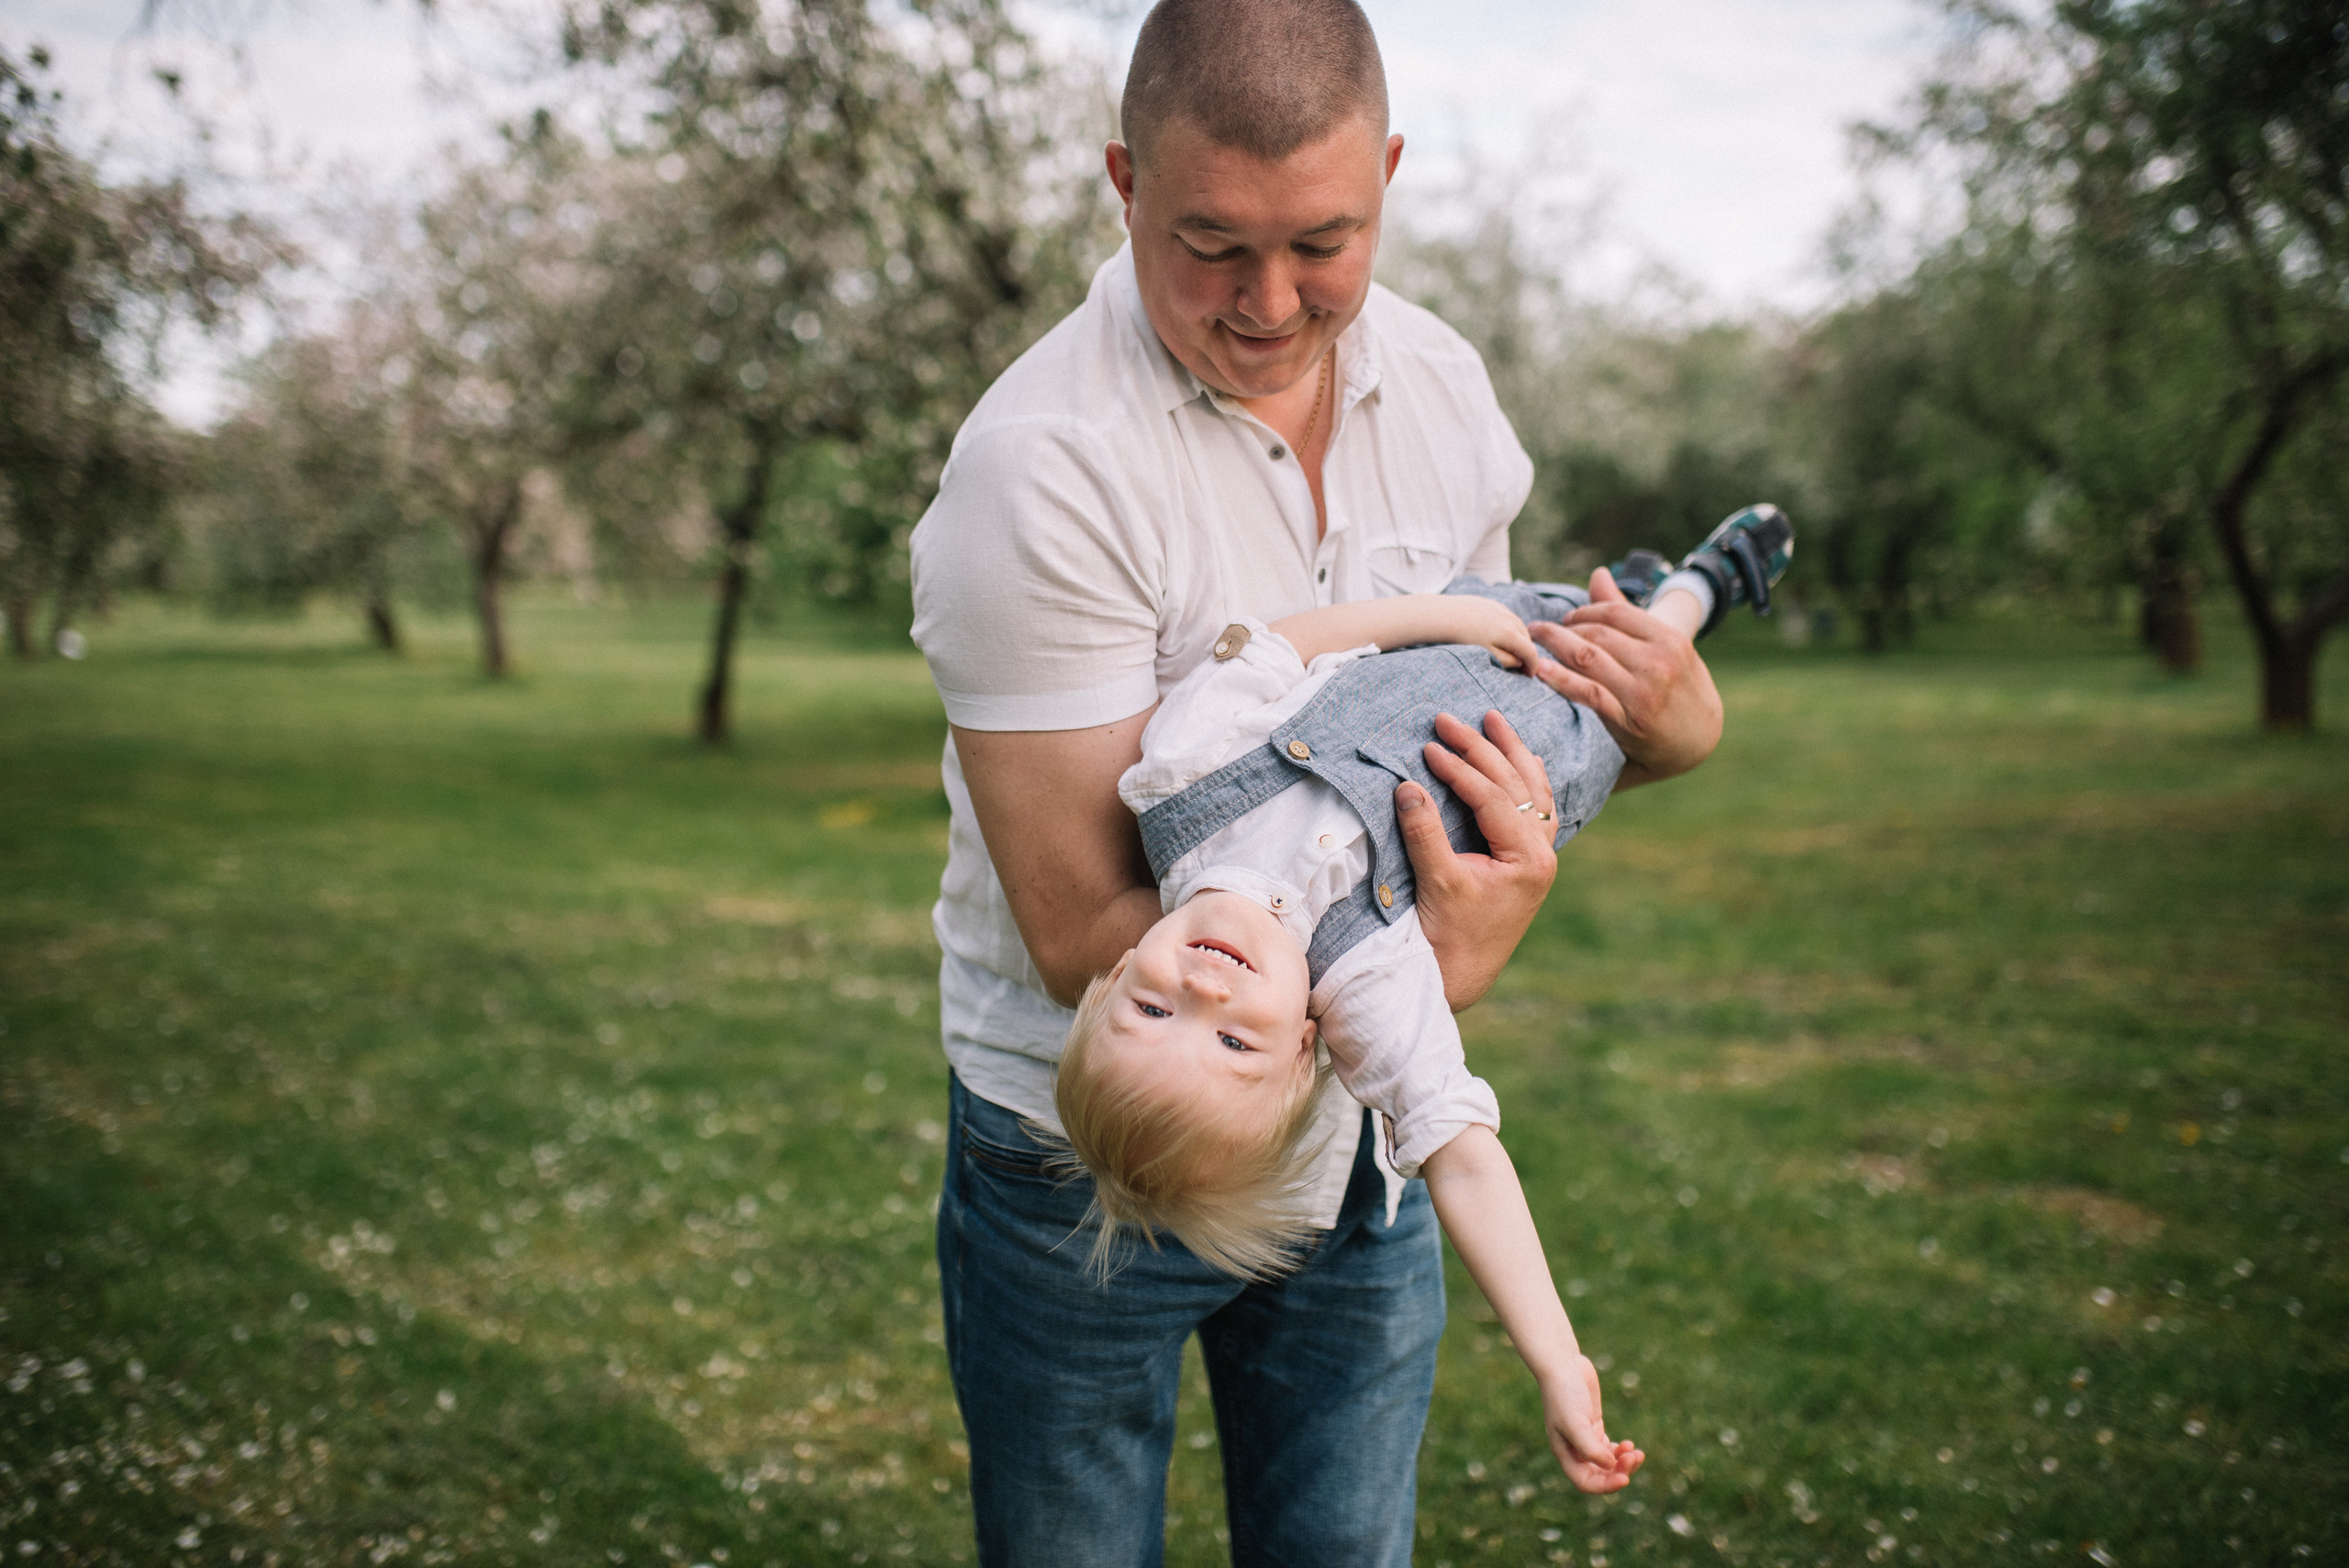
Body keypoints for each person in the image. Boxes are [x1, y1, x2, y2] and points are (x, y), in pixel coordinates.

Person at [907, 1, 1723, 1561]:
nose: (1270, 301)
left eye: (1322, 242)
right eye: (1210, 241)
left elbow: (1478, 710)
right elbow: (1092, 926)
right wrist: (1424, 965)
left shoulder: (1440, 385)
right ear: (1123, 181)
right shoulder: (1043, 468)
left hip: (1354, 1146)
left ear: (1390, 178)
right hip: (1082, 1146)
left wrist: (1661, 734)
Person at [1051, 579, 1718, 1493]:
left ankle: (1658, 583)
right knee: (1641, 639)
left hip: (1469, 621)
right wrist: (1558, 1359)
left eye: (1154, 1010)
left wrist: (1440, 617)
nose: (1203, 988)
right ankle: (1703, 582)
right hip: (1556, 729)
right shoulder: (1365, 978)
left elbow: (1275, 650)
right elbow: (1461, 1152)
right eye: (1233, 1044)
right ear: (1302, 1050)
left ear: (1118, 972)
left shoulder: (1176, 781)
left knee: (1597, 602)